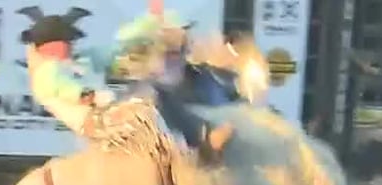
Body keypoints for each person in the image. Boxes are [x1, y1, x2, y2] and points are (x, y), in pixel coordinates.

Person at [20, 9, 232, 164]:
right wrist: (91, 95)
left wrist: (149, 23)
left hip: (107, 112)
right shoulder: (47, 73)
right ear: (50, 45)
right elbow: (66, 88)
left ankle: (196, 143)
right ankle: (189, 154)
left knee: (154, 93)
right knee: (148, 104)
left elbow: (116, 47)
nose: (71, 44)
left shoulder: (80, 60)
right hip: (95, 121)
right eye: (66, 40)